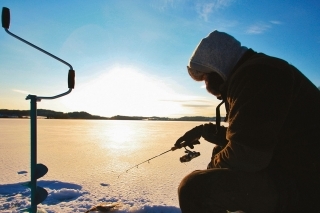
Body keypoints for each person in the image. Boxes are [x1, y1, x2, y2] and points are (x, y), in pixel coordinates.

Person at [174, 30, 320, 213]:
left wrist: (211, 168)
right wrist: (204, 130)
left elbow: (248, 155)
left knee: (195, 189)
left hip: (305, 185)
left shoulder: (259, 74)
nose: (206, 87)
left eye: (205, 78)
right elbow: (253, 132)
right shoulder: (257, 71)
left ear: (217, 66)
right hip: (293, 168)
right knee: (220, 153)